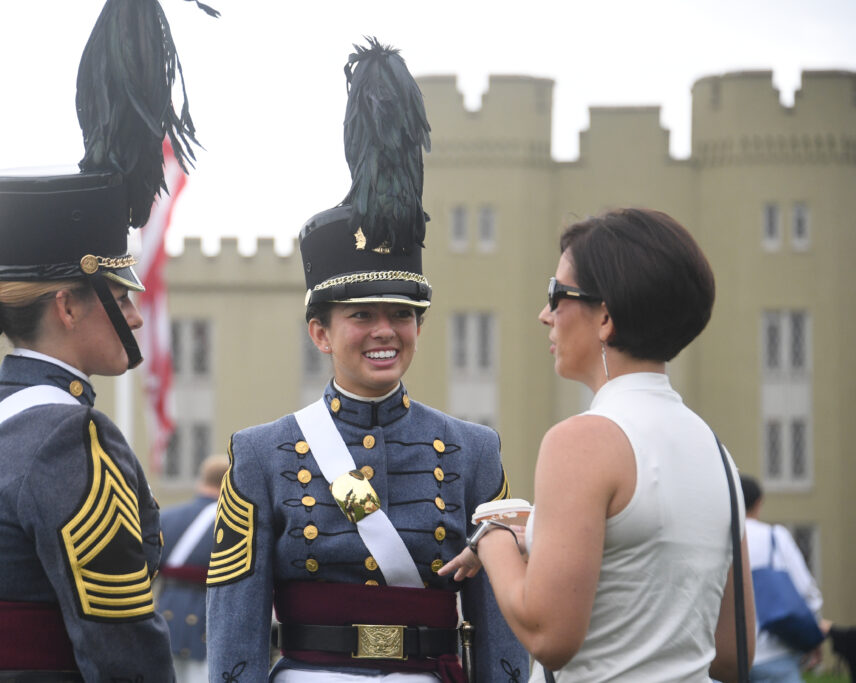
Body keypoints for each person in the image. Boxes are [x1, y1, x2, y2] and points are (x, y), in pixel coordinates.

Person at [205, 39, 528, 683]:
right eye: (361, 316)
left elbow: (497, 625)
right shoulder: (262, 453)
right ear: (320, 333)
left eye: (402, 315)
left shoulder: (475, 451)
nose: (385, 331)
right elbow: (235, 627)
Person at [0, 0, 215, 679]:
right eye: (120, 297)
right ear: (69, 305)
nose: (136, 317)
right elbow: (122, 643)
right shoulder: (67, 435)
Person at [441, 208, 756, 682]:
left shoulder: (582, 441)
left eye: (557, 294)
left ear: (605, 315)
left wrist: (493, 536)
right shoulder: (715, 452)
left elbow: (549, 636)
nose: (545, 314)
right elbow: (736, 651)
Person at [741, 474, 824, 681]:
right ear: (759, 503)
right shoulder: (775, 537)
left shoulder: (721, 538)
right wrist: (812, 638)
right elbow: (807, 591)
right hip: (775, 654)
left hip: (729, 659)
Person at [159, 454, 230, 683]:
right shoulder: (231, 523)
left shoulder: (166, 517)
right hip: (208, 621)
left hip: (164, 617)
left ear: (202, 481)